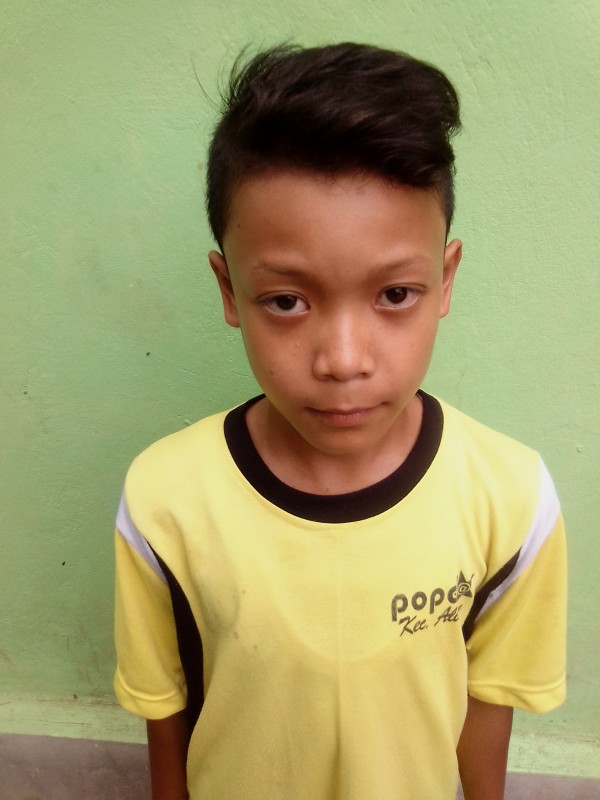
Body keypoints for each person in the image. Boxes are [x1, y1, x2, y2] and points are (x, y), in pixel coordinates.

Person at [113, 43, 567, 800]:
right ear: (229, 290)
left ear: (445, 278)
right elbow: (167, 716)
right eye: (287, 301)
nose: (344, 360)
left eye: (395, 295)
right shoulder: (164, 501)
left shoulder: (514, 501)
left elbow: (487, 714)